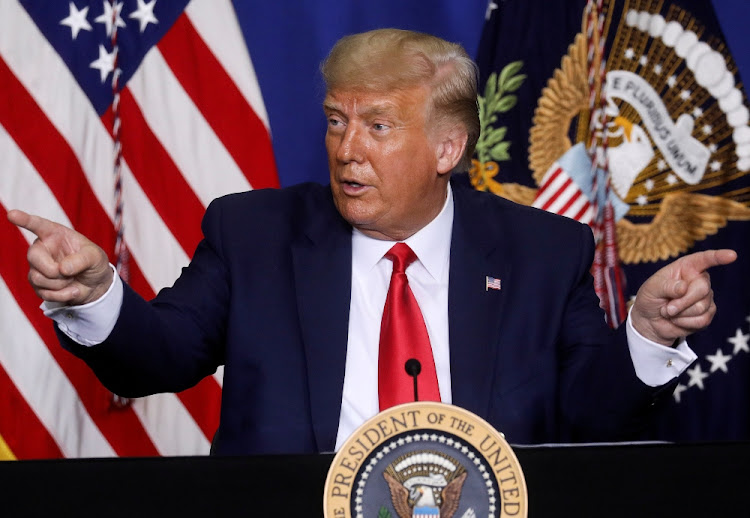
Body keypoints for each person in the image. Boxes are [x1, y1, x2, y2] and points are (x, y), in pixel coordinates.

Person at [8, 29, 735, 455]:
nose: (347, 150)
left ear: (449, 147)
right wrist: (97, 295)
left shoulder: (544, 252)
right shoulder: (253, 233)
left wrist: (644, 331)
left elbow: (591, 415)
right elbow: (157, 357)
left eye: (377, 127)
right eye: (335, 122)